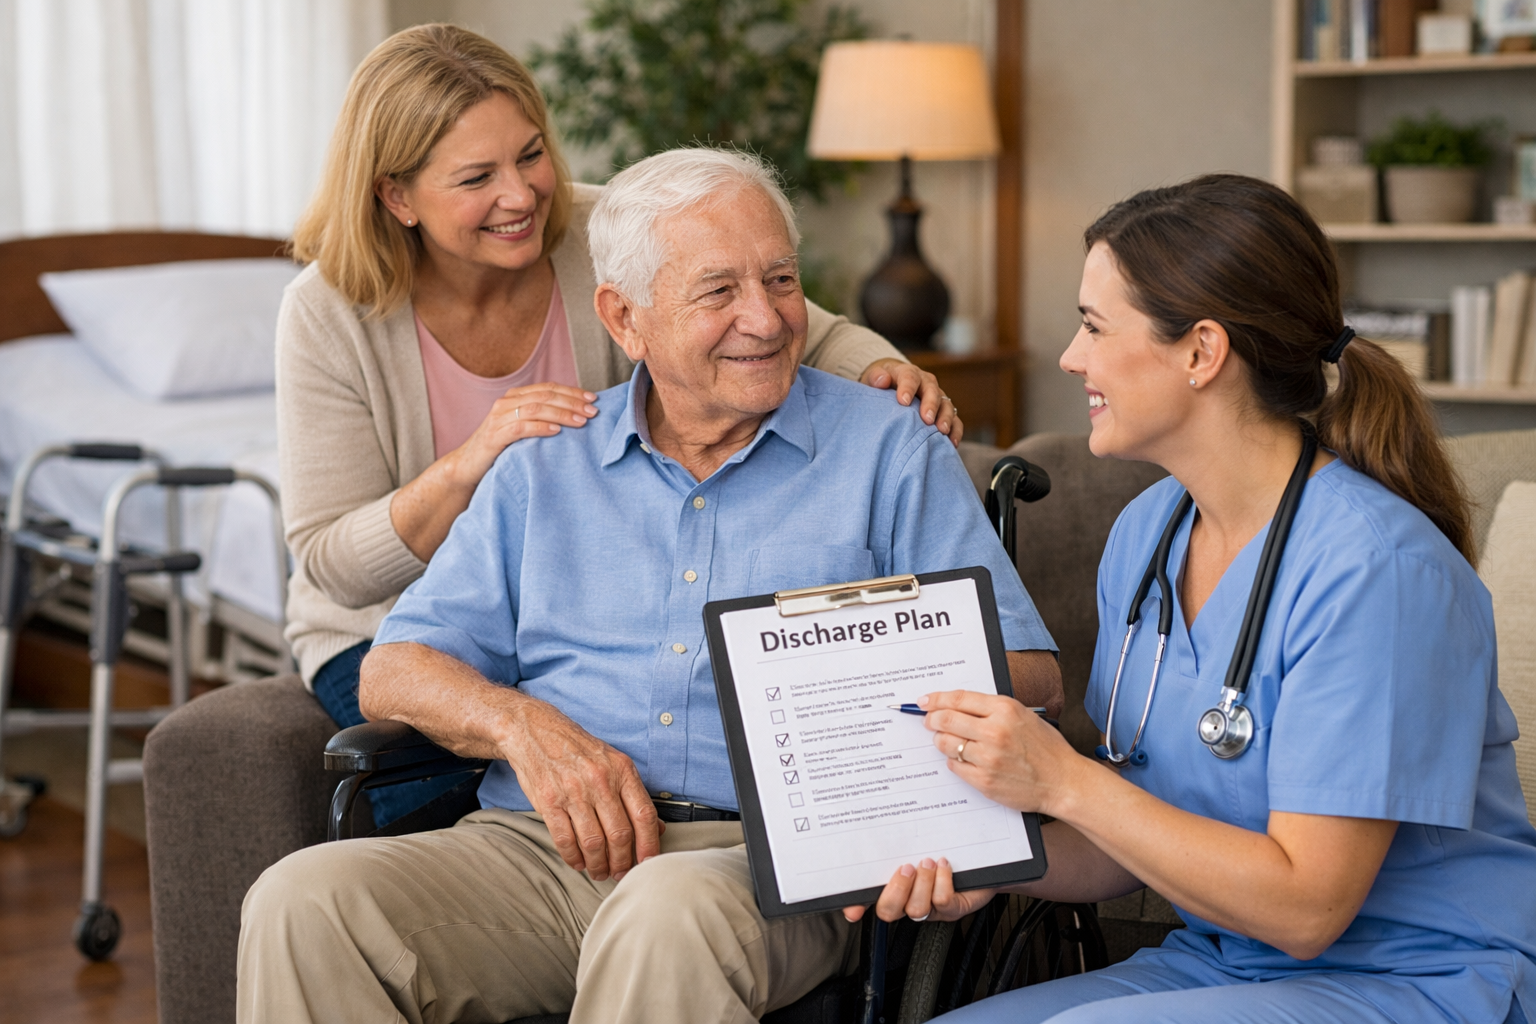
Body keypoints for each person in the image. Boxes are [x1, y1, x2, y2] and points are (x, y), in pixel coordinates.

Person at [238, 146, 1062, 1024]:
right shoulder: (544, 465)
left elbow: (1034, 672)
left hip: (763, 866)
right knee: (304, 901)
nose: (768, 318)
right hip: (538, 850)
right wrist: (525, 727)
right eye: (718, 292)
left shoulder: (889, 448)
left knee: (662, 916)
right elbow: (393, 668)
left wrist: (857, 691)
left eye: (780, 280)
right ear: (624, 320)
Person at [862, 174, 1536, 1024]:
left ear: (1201, 352)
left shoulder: (1380, 572)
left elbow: (1306, 909)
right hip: (1222, 963)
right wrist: (983, 868)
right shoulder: (1148, 535)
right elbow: (1132, 848)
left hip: (1419, 976)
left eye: (1095, 327)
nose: (1071, 358)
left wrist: (1063, 782)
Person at [278, 25, 960, 825]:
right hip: (393, 624)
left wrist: (888, 373)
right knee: (452, 805)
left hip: (579, 609)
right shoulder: (330, 313)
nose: (521, 195)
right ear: (397, 196)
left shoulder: (599, 233)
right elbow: (332, 565)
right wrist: (473, 463)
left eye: (530, 154)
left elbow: (785, 319)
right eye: (476, 177)